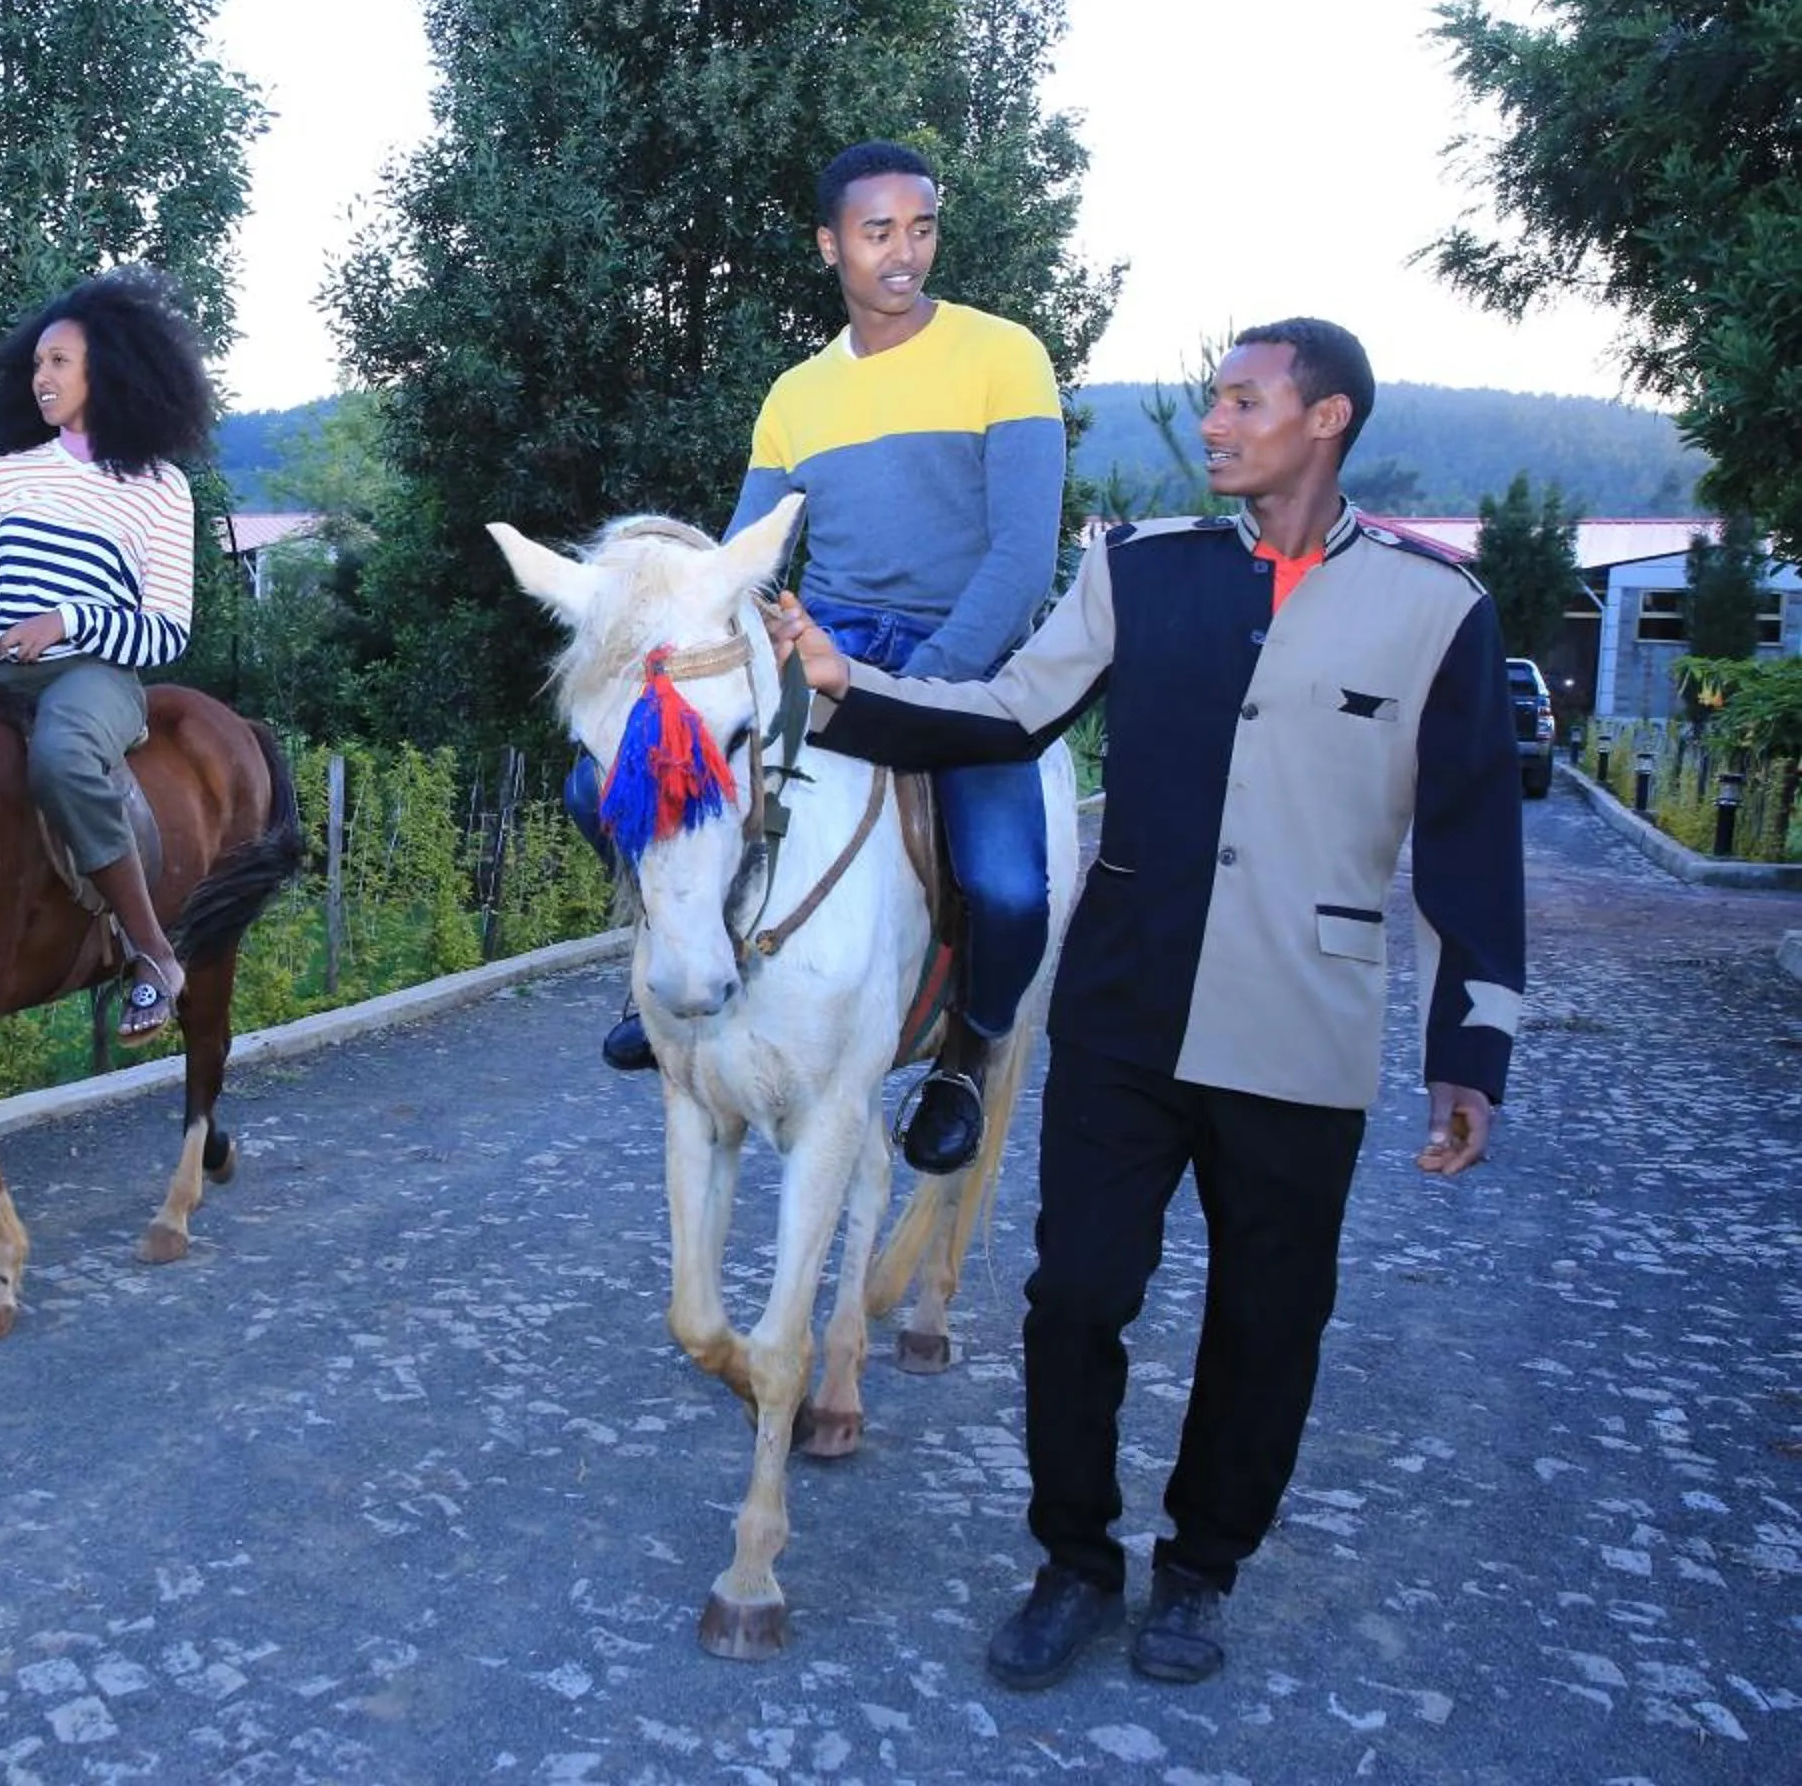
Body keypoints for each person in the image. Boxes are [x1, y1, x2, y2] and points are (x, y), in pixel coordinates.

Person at [776, 317, 1525, 1690]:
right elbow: (1008, 714)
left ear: (1328, 419)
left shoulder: (1437, 611)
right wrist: (846, 689)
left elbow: (1473, 838)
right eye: (1215, 400)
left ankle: (1199, 1573)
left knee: (1268, 1319)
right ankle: (1073, 1563)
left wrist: (1469, 1050)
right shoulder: (1143, 572)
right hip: (1126, 1012)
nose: (1218, 423)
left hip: (1304, 1025)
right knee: (1074, 1296)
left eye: (1245, 401)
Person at [585, 139, 1066, 1180]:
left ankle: (967, 1059)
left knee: (1009, 888)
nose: (904, 253)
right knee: (601, 789)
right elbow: (742, 564)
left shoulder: (1005, 355)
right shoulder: (795, 395)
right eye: (877, 231)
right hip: (824, 643)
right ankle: (666, 968)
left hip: (968, 663)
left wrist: (916, 689)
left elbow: (1024, 556)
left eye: (922, 227)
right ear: (829, 244)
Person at [0, 269, 213, 1041]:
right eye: (36, 364)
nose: (41, 377)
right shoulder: (13, 471)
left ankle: (151, 952)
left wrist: (65, 622)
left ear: (110, 370)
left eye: (59, 362)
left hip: (95, 674)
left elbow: (166, 629)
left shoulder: (160, 487)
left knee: (61, 756)